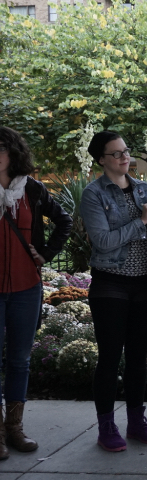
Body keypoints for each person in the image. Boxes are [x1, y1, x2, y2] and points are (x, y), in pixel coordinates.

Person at [80, 131, 147, 452]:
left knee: (138, 358)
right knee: (109, 357)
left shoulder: (145, 189)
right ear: (101, 159)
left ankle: (136, 420)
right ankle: (106, 425)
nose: (125, 157)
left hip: (146, 284)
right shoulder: (94, 194)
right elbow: (103, 241)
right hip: (111, 283)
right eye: (117, 153)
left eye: (126, 151)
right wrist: (143, 220)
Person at [0, 127, 71, 460]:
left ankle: (14, 428)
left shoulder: (31, 189)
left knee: (19, 360)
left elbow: (64, 221)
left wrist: (47, 253)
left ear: (13, 152)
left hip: (26, 287)